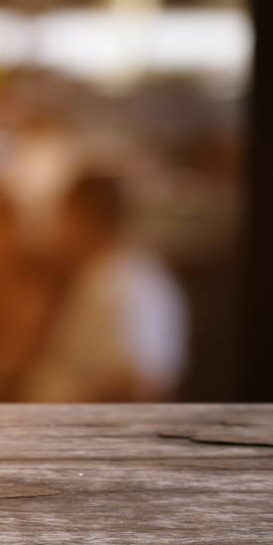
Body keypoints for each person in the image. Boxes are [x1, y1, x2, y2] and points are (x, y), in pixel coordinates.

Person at [22, 171, 187, 402]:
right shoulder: (104, 273)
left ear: (81, 218)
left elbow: (140, 383)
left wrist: (79, 425)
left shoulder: (127, 284)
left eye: (62, 217)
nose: (57, 230)